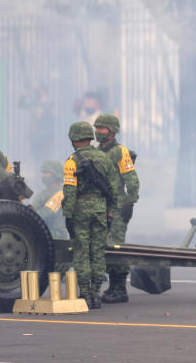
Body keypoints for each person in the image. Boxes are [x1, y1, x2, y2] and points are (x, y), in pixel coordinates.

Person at [62, 121, 120, 309]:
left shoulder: (72, 161)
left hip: (80, 210)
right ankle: (96, 294)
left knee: (81, 252)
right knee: (97, 253)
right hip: (101, 209)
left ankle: (85, 295)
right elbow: (113, 188)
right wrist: (110, 210)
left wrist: (68, 214)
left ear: (74, 139)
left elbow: (70, 191)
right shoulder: (104, 158)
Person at [93, 114, 139, 303]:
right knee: (104, 247)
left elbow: (132, 179)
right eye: (97, 128)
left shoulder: (120, 152)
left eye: (102, 128)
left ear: (111, 132)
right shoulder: (97, 151)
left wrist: (129, 202)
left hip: (118, 206)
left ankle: (120, 289)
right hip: (101, 206)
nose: (98, 132)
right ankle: (112, 287)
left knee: (116, 247)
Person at [30, 160, 68, 239]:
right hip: (43, 232)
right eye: (43, 173)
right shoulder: (41, 194)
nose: (44, 176)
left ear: (56, 175)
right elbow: (33, 211)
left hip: (57, 235)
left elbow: (45, 212)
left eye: (46, 173)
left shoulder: (62, 193)